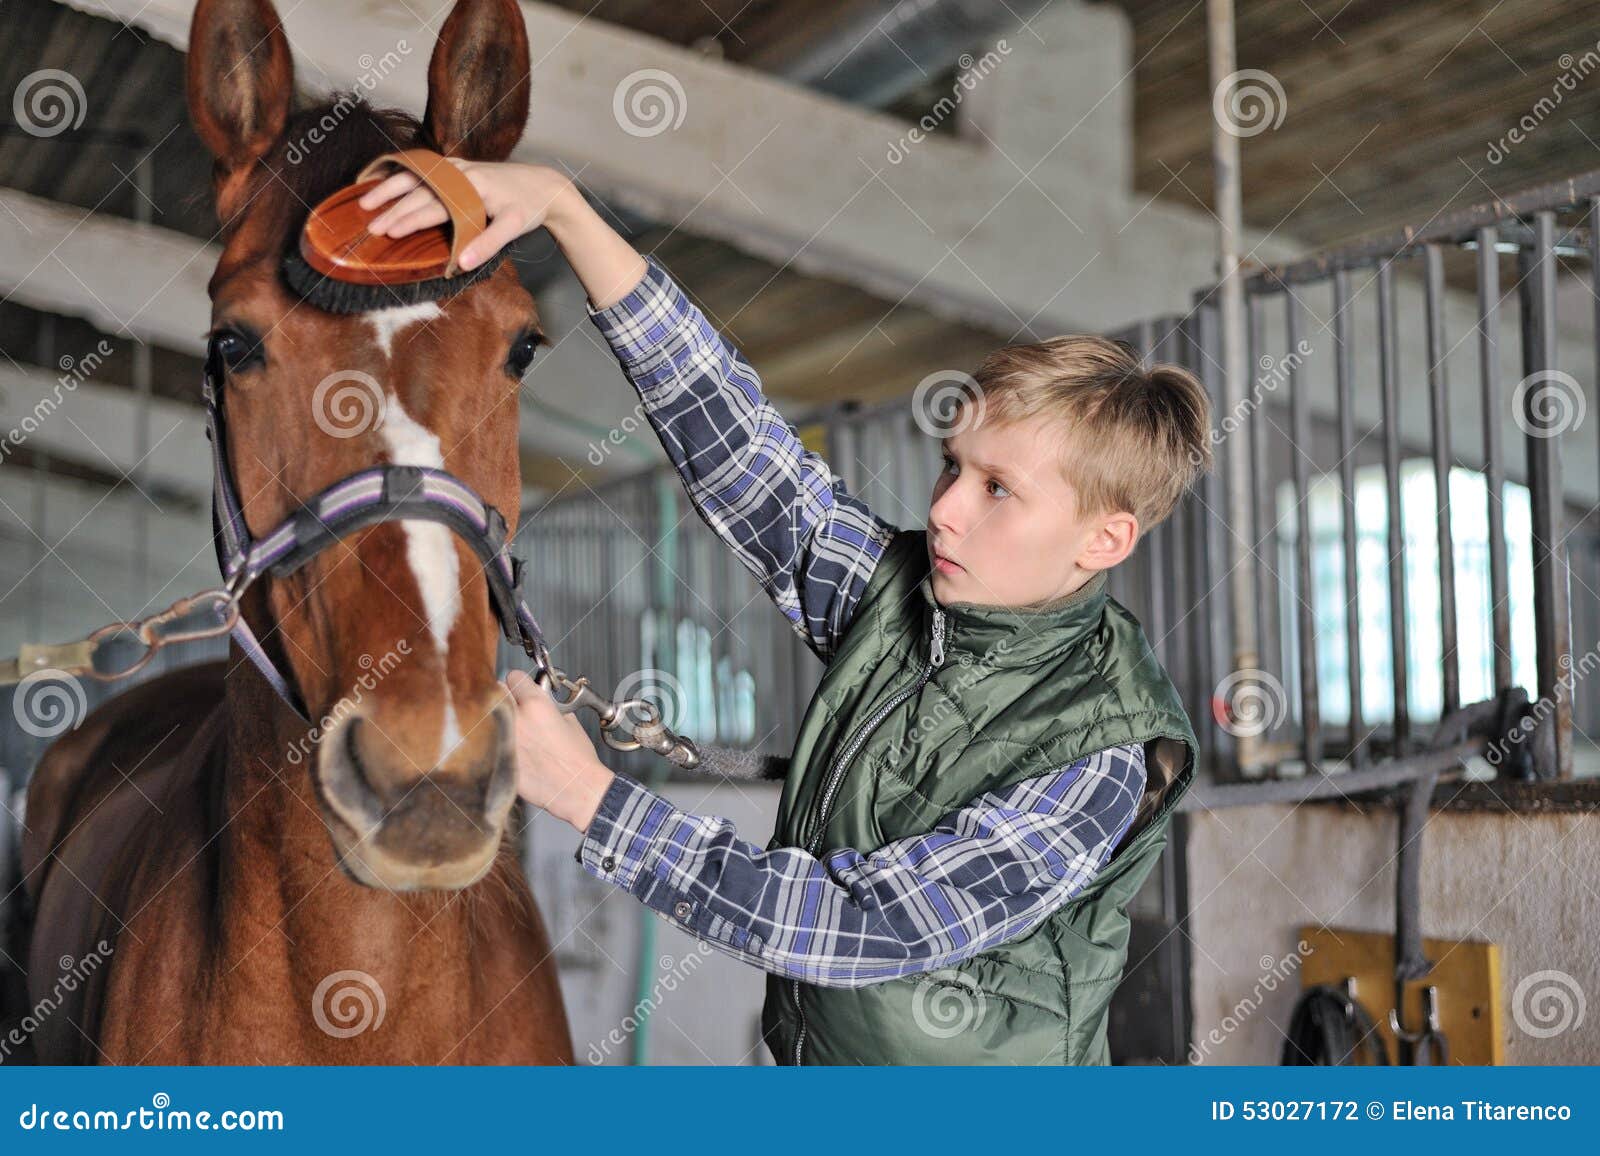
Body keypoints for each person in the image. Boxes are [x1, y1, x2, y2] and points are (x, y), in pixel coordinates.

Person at [359, 159, 1209, 1065]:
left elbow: (860, 927)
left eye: (1000, 489)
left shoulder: (1106, 751)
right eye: (953, 466)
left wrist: (591, 798)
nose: (948, 508)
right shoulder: (909, 595)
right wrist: (568, 211)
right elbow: (743, 453)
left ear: (1105, 540)